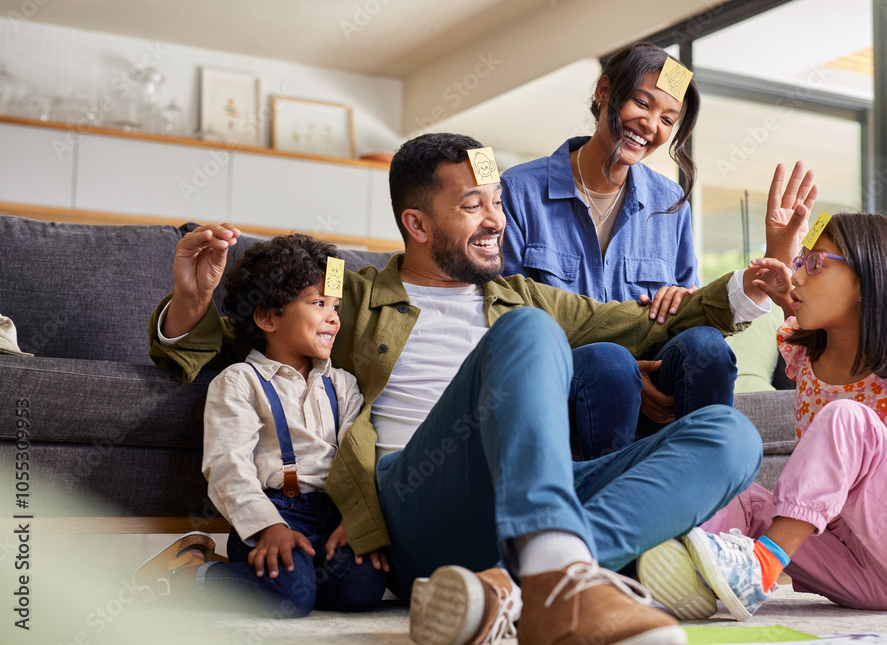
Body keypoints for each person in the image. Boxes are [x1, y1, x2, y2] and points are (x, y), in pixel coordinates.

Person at [148, 132, 816, 645]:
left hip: (528, 497)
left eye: (497, 202)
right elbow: (249, 335)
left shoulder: (518, 292)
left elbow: (646, 324)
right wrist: (192, 302)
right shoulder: (350, 289)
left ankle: (523, 582)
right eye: (473, 205)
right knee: (532, 332)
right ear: (417, 224)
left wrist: (755, 280)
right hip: (414, 493)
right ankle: (560, 571)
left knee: (732, 437)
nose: (496, 219)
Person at [641, 213, 887, 620]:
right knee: (740, 492)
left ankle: (761, 566)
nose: (797, 277)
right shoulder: (806, 357)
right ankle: (696, 572)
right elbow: (795, 308)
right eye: (800, 263)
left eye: (814, 264)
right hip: (850, 569)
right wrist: (784, 283)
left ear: (867, 281)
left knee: (845, 418)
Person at [501, 42, 815, 455]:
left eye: (668, 119)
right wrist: (628, 372)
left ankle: (704, 481)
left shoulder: (670, 203)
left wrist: (686, 299)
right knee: (611, 365)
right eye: (641, 103)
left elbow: (689, 310)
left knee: (706, 345)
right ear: (604, 91)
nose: (650, 125)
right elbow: (509, 316)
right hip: (562, 388)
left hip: (654, 387)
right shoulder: (519, 190)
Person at [134, 234, 387, 617]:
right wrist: (268, 528)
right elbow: (227, 465)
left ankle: (270, 580)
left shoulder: (343, 385)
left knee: (364, 587)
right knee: (291, 595)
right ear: (267, 317)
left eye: (335, 306)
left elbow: (356, 460)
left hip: (330, 517)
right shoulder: (240, 381)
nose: (334, 317)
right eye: (318, 303)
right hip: (274, 515)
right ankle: (189, 575)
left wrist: (356, 519)